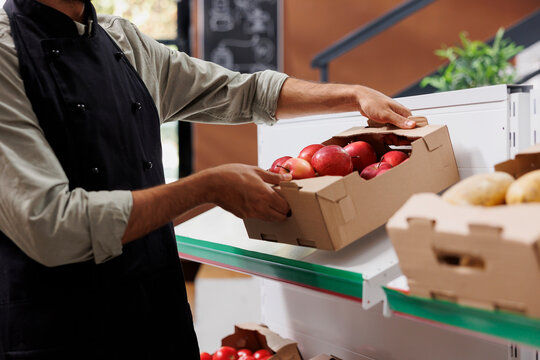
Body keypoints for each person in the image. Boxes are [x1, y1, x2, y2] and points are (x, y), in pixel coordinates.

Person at [0, 0, 415, 358]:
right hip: (61, 332)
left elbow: (241, 92)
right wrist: (207, 187)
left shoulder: (121, 41)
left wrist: (352, 95)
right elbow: (51, 224)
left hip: (157, 317)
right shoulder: (5, 56)